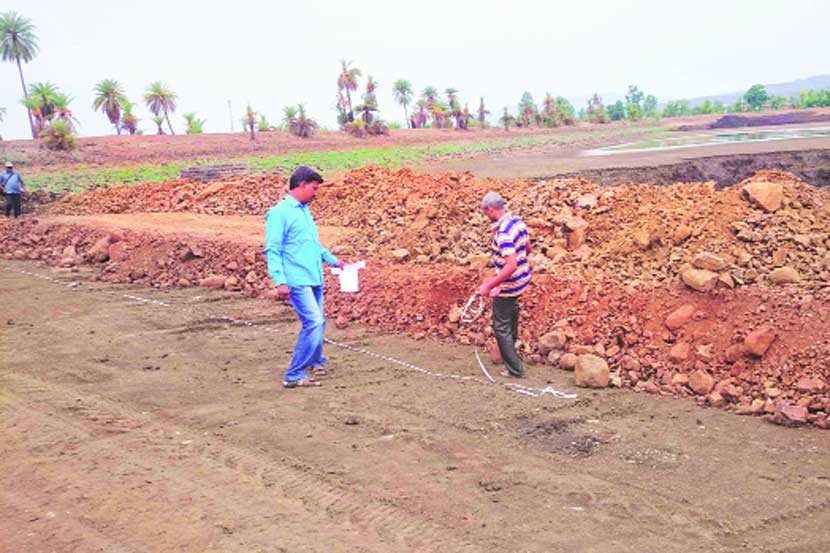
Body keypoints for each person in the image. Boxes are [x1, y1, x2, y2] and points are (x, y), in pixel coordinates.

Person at [265, 166, 345, 389]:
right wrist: (280, 281)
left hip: (313, 277)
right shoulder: (279, 213)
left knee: (318, 322)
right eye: (314, 188)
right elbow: (273, 249)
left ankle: (316, 361)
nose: (316, 193)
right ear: (301, 185)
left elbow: (312, 245)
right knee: (314, 321)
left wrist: (333, 260)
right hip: (297, 279)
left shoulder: (303, 211)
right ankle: (294, 374)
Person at [478, 191, 531, 379]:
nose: (485, 216)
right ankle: (511, 352)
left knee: (501, 326)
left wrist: (489, 285)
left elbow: (510, 265)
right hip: (522, 280)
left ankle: (514, 369)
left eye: (485, 212)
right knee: (511, 315)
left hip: (510, 284)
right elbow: (527, 247)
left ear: (490, 210)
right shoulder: (517, 222)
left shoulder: (503, 234)